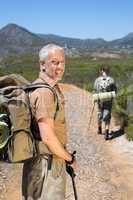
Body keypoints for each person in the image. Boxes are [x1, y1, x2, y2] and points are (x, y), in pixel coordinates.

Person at [22, 44, 77, 200]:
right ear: (42, 64)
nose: (60, 67)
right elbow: (48, 138)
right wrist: (70, 159)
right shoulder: (45, 92)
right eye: (54, 62)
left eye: (62, 62)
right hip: (47, 165)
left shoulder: (42, 87)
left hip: (40, 161)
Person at [94, 66, 117, 140]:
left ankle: (100, 129)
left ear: (101, 71)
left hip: (100, 100)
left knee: (100, 114)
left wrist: (95, 98)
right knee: (107, 115)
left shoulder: (97, 80)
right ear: (108, 71)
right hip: (108, 100)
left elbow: (94, 90)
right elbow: (115, 91)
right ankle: (105, 131)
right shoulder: (111, 80)